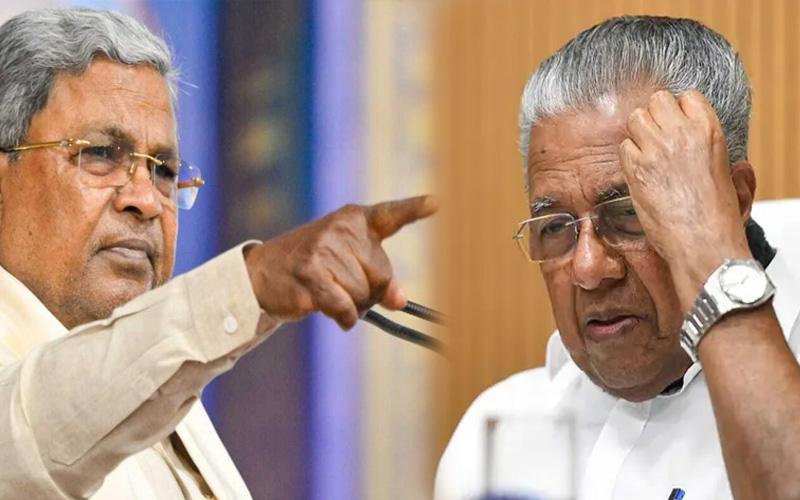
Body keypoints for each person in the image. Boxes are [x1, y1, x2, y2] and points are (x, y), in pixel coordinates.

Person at [0, 8, 435, 500]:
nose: (147, 200)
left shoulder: (162, 389)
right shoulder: (43, 401)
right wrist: (250, 287)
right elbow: (32, 432)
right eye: (99, 154)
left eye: (164, 171)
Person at [436, 16, 800, 500]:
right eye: (555, 227)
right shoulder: (497, 439)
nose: (588, 269)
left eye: (629, 213)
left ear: (733, 201)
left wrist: (713, 254)